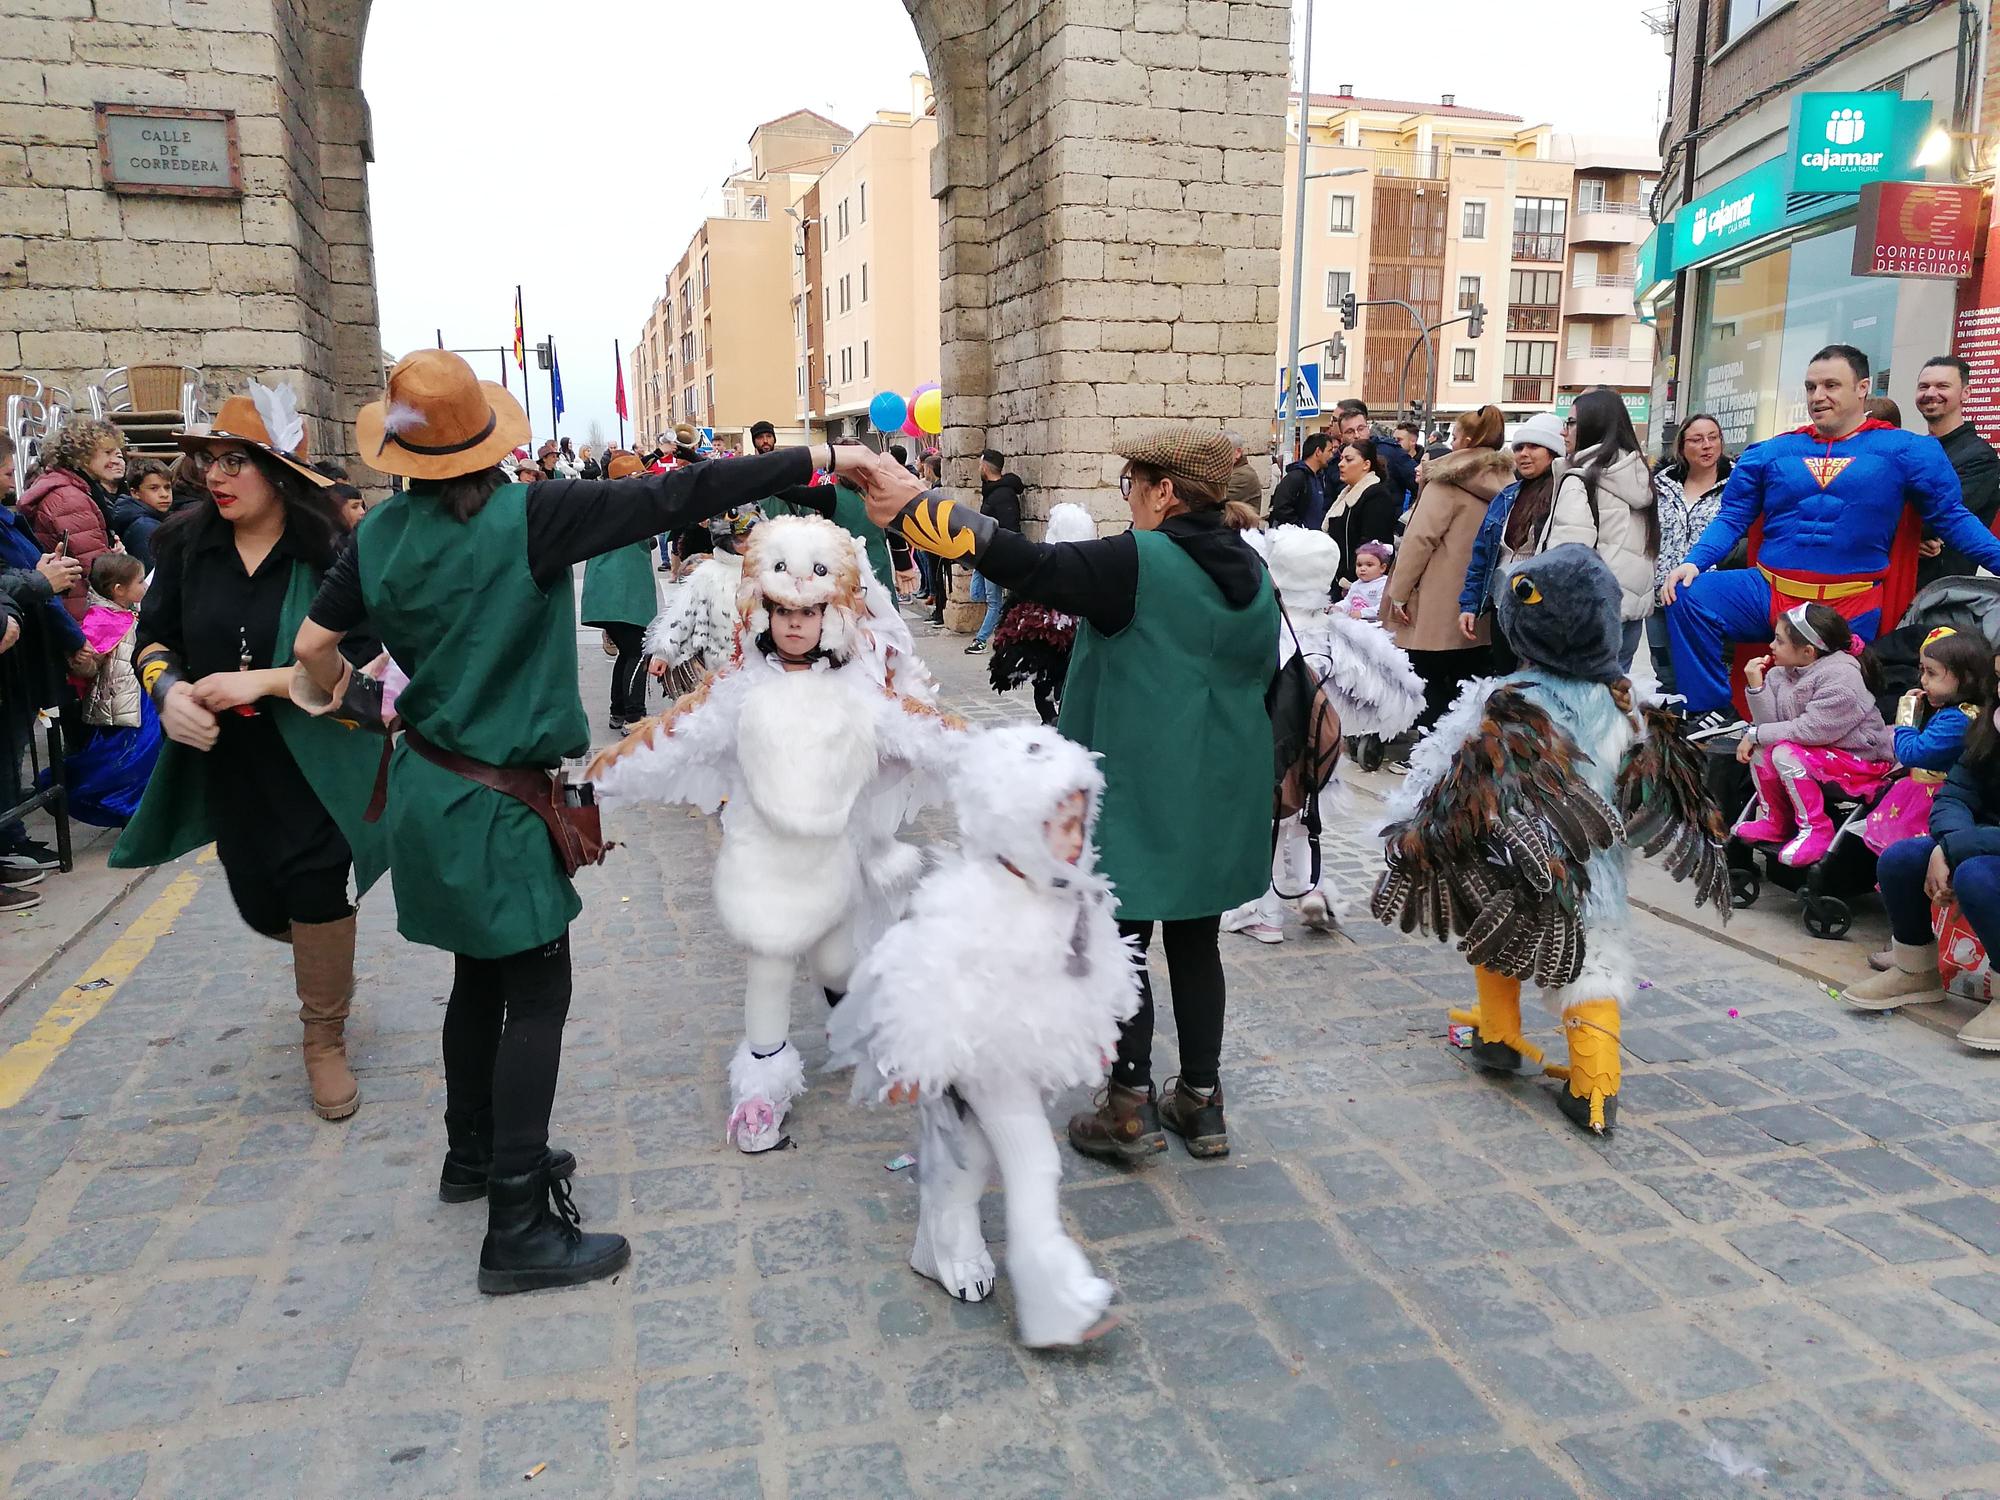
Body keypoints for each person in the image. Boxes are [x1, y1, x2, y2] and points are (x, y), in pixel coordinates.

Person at [293, 349, 866, 1294]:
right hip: (498, 801)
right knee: (537, 992)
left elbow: (314, 647)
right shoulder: (532, 516)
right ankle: (517, 1223)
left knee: (477, 977)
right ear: (487, 442)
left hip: (427, 787)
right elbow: (680, 493)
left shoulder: (379, 531)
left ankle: (472, 1154)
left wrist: (368, 703)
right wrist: (820, 459)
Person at [853, 425, 1278, 1162]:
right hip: (1222, 784)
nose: (1129, 499)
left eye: (1132, 485)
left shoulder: (1139, 560)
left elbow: (1024, 561)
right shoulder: (1253, 567)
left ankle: (1129, 1106)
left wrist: (917, 506)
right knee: (1197, 940)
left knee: (1124, 941)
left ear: (1164, 492)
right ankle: (1202, 1101)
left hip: (1142, 784)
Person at [588, 513, 960, 1154]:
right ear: (763, 612)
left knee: (837, 962)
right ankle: (760, 1089)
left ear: (830, 618)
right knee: (769, 965)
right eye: (782, 611)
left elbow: (929, 738)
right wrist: (594, 785)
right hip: (760, 861)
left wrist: (1010, 773)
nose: (794, 623)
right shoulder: (737, 692)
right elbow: (671, 742)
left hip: (831, 862)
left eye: (807, 612)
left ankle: (865, 1028)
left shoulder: (860, 695)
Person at [111, 381, 390, 1126]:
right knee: (260, 898)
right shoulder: (184, 546)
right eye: (209, 462)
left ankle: (323, 1036)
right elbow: (154, 641)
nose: (216, 476)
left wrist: (262, 680)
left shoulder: (332, 550)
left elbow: (368, 663)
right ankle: (320, 951)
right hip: (229, 759)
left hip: (317, 757)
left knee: (315, 882)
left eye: (235, 461)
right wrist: (169, 691)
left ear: (280, 474)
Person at [1377, 544, 1730, 1133]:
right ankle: (1556, 1063)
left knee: (1506, 929)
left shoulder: (1511, 700)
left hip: (1515, 858)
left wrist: (1420, 833)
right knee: (1590, 950)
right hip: (1595, 865)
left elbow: (1454, 774)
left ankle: (1558, 1066)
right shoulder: (1629, 705)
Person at [831, 724, 1133, 1347]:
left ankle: (942, 1239)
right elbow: (921, 978)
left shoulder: (1066, 892)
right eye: (1058, 825)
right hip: (977, 1049)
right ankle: (1053, 1297)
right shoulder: (972, 899)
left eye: (1080, 824)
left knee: (968, 1147)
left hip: (1022, 1046)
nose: (1074, 841)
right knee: (1034, 1159)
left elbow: (1092, 960)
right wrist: (911, 1058)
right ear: (1012, 822)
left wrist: (1096, 1027)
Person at [1663, 345, 2000, 724]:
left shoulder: (1906, 451)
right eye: (1810, 387)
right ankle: (1709, 711)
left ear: (1862, 388)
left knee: (1837, 709)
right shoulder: (1772, 452)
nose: (1817, 396)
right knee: (1688, 594)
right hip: (1770, 592)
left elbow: (1955, 520)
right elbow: (1733, 517)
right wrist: (1695, 562)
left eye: (1831, 385)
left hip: (1848, 603)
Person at [1224, 525, 1422, 945]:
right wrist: (1343, 718)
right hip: (1321, 751)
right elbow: (1401, 692)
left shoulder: (1264, 628)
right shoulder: (1339, 633)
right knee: (1304, 821)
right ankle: (1312, 889)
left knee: (1269, 827)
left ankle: (1266, 913)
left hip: (1270, 749)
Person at [1843, 671, 2000, 1050]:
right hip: (1977, 839)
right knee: (1901, 859)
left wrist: (1951, 848)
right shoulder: (1989, 729)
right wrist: (1949, 843)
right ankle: (1916, 972)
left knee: (1976, 876)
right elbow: (1955, 795)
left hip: (1981, 849)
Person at [1730, 603, 1894, 868]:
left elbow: (1811, 730)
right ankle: (1776, 821)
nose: (1771, 646)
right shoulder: (1780, 673)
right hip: (1816, 753)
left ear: (1808, 651)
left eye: (1779, 641)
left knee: (1783, 752)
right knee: (1763, 748)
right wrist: (1757, 687)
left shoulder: (1842, 678)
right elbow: (1770, 727)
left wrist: (1757, 733)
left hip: (1860, 761)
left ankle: (1816, 828)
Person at [1386, 405, 1513, 736]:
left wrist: (1399, 593)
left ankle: (1430, 748)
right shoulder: (1509, 484)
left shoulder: (1447, 481)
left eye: (1455, 436)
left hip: (1434, 601)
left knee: (1427, 681)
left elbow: (1420, 539)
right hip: (1480, 602)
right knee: (1468, 684)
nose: (1452, 442)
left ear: (1467, 440)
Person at [1545, 388, 1657, 673]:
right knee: (1615, 692)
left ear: (1593, 425)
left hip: (1589, 614)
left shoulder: (1581, 479)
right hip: (1630, 610)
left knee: (1575, 696)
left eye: (1571, 423)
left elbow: (1568, 558)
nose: (1563, 431)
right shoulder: (1637, 475)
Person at [1862, 628, 1992, 862]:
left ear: (1965, 677)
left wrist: (1906, 716)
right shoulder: (1959, 711)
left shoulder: (1957, 720)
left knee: (1908, 853)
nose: (1923, 680)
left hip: (1931, 798)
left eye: (1931, 673)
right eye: (1921, 670)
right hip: (1929, 792)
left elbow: (1912, 753)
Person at [1457, 410, 1567, 673]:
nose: (1524, 454)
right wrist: (1469, 605)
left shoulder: (1566, 495)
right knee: (1505, 676)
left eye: (1534, 446)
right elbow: (1482, 554)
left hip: (1542, 608)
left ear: (1553, 452)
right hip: (1502, 603)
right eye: (1519, 447)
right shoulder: (1507, 495)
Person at [987, 502, 1098, 724]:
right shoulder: (1050, 581)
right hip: (1056, 668)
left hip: (1071, 670)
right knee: (1052, 703)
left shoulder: (1054, 577)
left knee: (1055, 703)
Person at [1648, 414, 1732, 697]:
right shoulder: (1660, 484)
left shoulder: (1738, 484)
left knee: (1705, 674)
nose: (1707, 445)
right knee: (1666, 676)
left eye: (1713, 437)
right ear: (1682, 447)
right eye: (1697, 439)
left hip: (1707, 598)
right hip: (1660, 595)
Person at [579, 451, 659, 734]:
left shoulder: (605, 506)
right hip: (621, 594)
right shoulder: (629, 507)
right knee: (637, 652)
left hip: (608, 595)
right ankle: (634, 717)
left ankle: (619, 711)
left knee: (627, 652)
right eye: (639, 478)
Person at [17, 418, 125, 620]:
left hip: (71, 601)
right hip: (78, 607)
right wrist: (117, 561)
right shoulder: (70, 498)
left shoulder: (76, 489)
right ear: (81, 455)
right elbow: (95, 566)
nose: (115, 459)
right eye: (107, 452)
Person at [1915, 356, 2000, 590]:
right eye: (1924, 386)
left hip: (1943, 593)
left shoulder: (1979, 457)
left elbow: (1937, 520)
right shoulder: (1915, 450)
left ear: (1966, 393)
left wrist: (1906, 534)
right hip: (1901, 584)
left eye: (1942, 386)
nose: (1931, 393)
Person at [1322, 435, 1399, 593]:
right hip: (1339, 579)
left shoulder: (1377, 496)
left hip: (1360, 587)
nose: (1341, 464)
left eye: (1349, 460)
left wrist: (1350, 580)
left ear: (1366, 464)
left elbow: (1373, 546)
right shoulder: (1347, 493)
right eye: (1341, 459)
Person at [966, 449, 1024, 655]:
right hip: (984, 554)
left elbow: (1009, 526)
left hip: (996, 554)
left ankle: (981, 640)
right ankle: (1003, 627)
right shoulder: (991, 491)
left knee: (994, 600)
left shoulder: (1003, 495)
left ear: (985, 467)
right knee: (976, 593)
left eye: (980, 464)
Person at [1336, 402, 1418, 518]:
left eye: (1361, 429)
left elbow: (1419, 483)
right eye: (1350, 431)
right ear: (1341, 436)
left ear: (1368, 428)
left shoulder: (1390, 452)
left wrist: (1405, 520)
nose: (1357, 435)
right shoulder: (1336, 461)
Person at [111, 459, 175, 567]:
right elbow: (154, 570)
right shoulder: (145, 527)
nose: (164, 494)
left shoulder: (157, 518)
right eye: (154, 488)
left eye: (167, 487)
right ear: (135, 492)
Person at [1268, 432, 1333, 528]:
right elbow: (1281, 507)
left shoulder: (1320, 478)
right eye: (1329, 451)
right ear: (1318, 451)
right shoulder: (1296, 477)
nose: (1331, 455)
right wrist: (1299, 527)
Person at [1344, 541, 1392, 622]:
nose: (1362, 569)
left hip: (1375, 625)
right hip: (1354, 623)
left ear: (1382, 568)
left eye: (1369, 565)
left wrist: (1362, 613)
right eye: (1359, 565)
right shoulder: (1356, 584)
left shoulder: (1384, 584)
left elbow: (1383, 608)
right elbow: (1348, 601)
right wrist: (1339, 607)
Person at [1223, 430, 1265, 512]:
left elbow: (1215, 500)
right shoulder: (1234, 471)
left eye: (1221, 451)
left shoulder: (1243, 475)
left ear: (1237, 453)